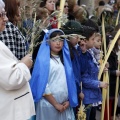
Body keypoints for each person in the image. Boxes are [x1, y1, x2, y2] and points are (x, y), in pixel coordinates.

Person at [30, 28, 78, 120]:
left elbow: (70, 82)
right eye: (54, 40)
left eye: (60, 40)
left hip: (64, 106)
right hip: (48, 105)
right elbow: (42, 84)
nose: (58, 43)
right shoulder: (43, 61)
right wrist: (55, 104)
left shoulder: (65, 61)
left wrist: (69, 101)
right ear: (48, 42)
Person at [0, 0, 35, 119]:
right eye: (2, 15)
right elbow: (11, 79)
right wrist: (24, 64)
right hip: (11, 111)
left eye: (5, 14)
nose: (5, 19)